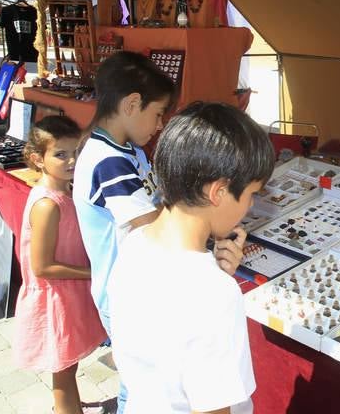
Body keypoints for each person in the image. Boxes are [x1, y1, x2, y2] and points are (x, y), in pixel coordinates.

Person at [72, 51, 246, 413]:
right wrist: (206, 225)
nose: (159, 124)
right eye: (157, 114)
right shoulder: (109, 161)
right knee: (135, 388)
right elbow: (152, 222)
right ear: (132, 104)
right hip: (130, 285)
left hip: (141, 278)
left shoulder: (123, 149)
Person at [107, 101, 275, 413]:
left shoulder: (134, 244)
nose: (249, 207)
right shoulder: (214, 294)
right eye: (251, 194)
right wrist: (216, 282)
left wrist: (214, 272)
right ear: (219, 192)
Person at [13, 116, 107, 414]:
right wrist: (93, 272)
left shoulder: (65, 191)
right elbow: (42, 267)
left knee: (68, 362)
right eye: (61, 154)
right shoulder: (47, 205)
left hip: (67, 294)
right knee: (63, 368)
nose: (72, 161)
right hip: (55, 299)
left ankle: (70, 406)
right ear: (37, 159)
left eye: (76, 152)